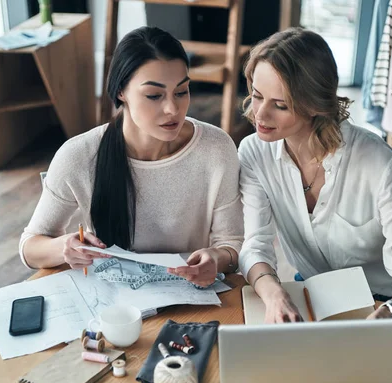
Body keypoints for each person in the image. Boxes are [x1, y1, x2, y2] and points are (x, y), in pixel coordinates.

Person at [237, 27, 392, 323]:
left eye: (280, 105)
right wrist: (273, 294)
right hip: (309, 299)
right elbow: (255, 246)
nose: (260, 115)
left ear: (315, 105)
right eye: (256, 96)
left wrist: (390, 313)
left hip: (379, 303)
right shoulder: (254, 152)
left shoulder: (378, 163)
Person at [19, 27, 243, 288]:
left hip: (192, 293)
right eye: (154, 95)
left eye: (181, 92)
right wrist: (64, 247)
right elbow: (30, 247)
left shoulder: (216, 149)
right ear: (121, 92)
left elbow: (232, 244)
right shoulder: (79, 156)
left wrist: (215, 258)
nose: (172, 109)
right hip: (112, 300)